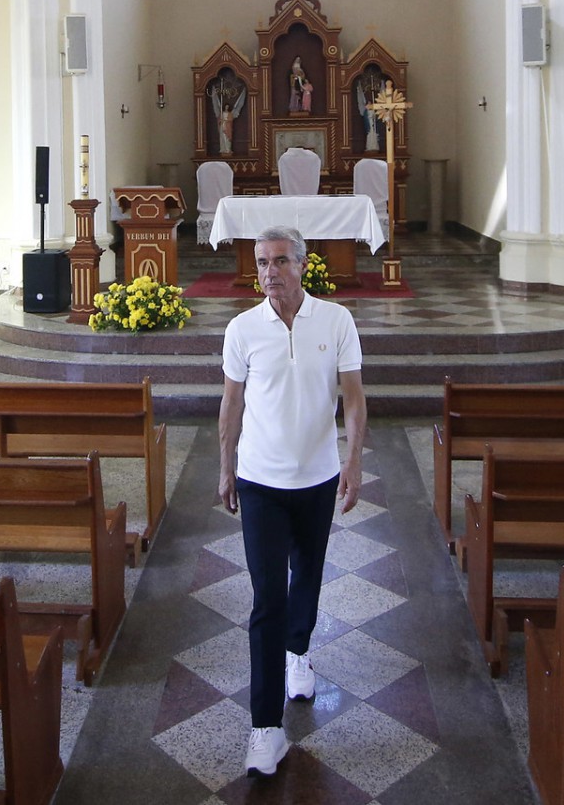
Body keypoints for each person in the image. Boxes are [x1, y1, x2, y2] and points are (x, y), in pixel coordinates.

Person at [218, 225, 365, 778]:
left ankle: (299, 652)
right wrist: (226, 465)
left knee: (307, 573)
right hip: (259, 480)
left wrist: (353, 461)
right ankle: (264, 729)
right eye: (261, 262)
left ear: (303, 264)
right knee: (266, 599)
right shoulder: (241, 329)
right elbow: (230, 405)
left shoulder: (336, 320)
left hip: (319, 476)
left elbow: (352, 398)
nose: (270, 272)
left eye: (280, 261)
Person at [211, 74, 246, 155]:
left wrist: (226, 120)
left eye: (227, 106)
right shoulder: (221, 112)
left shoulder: (230, 113)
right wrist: (221, 120)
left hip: (228, 127)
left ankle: (227, 149)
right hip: (222, 126)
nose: (226, 107)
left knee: (227, 139)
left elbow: (231, 119)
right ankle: (223, 149)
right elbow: (219, 118)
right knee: (222, 138)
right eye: (225, 106)